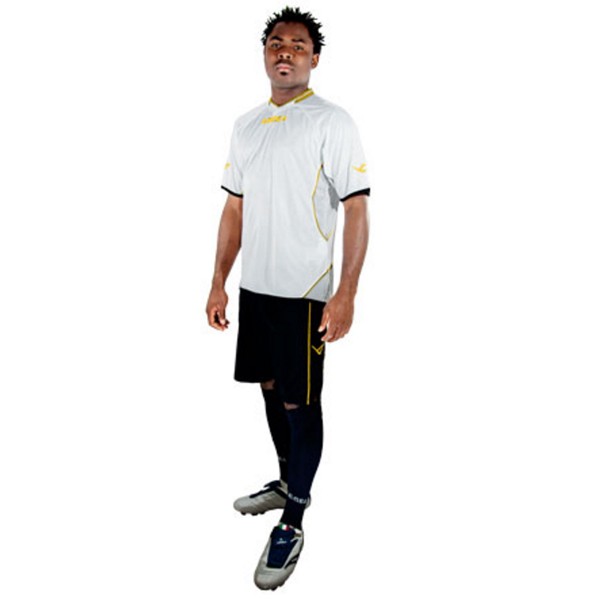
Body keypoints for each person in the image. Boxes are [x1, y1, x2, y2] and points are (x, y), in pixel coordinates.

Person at [206, 6, 370, 591]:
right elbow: (234, 207)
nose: (286, 52)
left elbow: (356, 207)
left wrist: (346, 293)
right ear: (264, 53)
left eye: (298, 45)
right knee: (271, 388)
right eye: (277, 42)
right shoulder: (246, 125)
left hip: (304, 294)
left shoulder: (332, 121)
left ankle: (293, 519)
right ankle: (285, 479)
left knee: (302, 403)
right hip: (256, 289)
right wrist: (219, 280)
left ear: (314, 58)